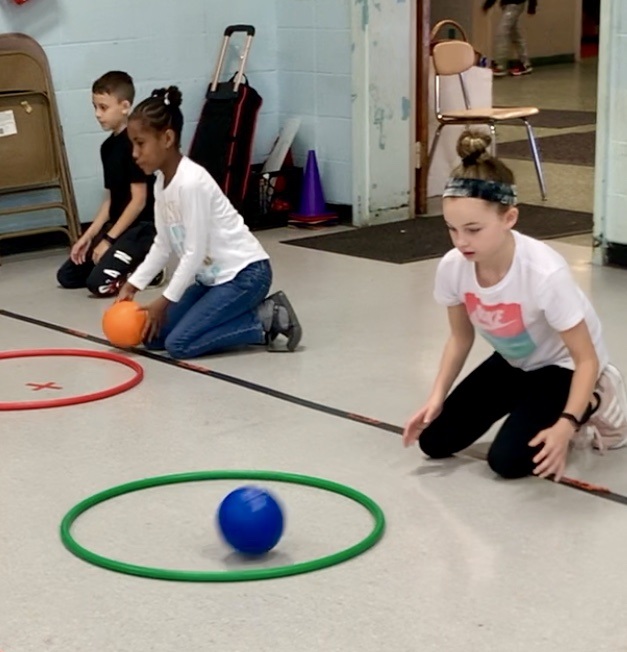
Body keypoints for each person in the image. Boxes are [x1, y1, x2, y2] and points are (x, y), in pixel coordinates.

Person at [402, 130, 627, 482]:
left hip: (562, 366)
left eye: (474, 229)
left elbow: (586, 358)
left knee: (507, 462)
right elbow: (460, 339)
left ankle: (596, 400)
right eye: (452, 229)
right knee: (434, 441)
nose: (462, 242)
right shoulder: (452, 266)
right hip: (514, 362)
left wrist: (566, 425)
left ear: (509, 219)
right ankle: (532, 403)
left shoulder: (544, 272)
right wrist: (436, 397)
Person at [116, 86, 302, 359]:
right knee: (154, 338)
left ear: (167, 138)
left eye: (140, 143)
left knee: (178, 345)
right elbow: (162, 244)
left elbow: (194, 252)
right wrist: (135, 283)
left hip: (245, 276)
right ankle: (230, 318)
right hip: (212, 280)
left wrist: (164, 300)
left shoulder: (191, 182)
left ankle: (265, 319)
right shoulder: (160, 183)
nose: (134, 153)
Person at [56, 71, 157, 297]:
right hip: (118, 226)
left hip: (142, 229)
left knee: (98, 285)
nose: (97, 114)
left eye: (103, 107)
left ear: (125, 106)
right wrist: (89, 236)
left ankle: (147, 266)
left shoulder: (136, 144)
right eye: (95, 107)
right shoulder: (107, 148)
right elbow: (110, 199)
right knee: (68, 276)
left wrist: (109, 240)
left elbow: (138, 201)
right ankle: (126, 261)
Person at [483, 0, 536, 77]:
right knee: (515, 34)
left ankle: (500, 65)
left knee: (502, 33)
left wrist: (532, 6)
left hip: (514, 4)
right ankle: (525, 64)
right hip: (509, 5)